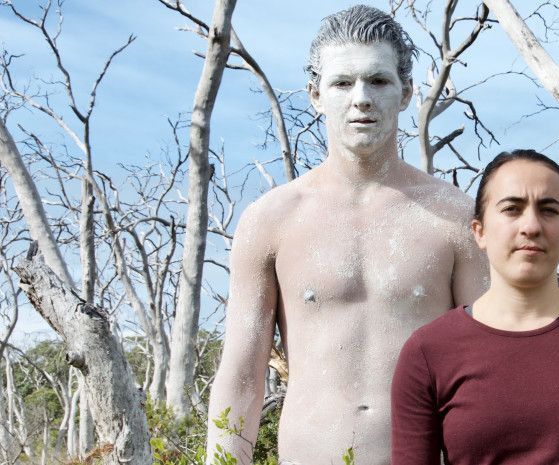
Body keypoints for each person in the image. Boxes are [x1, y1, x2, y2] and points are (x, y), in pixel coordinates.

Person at [205, 6, 487, 464]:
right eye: (342, 83)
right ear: (316, 95)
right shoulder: (270, 221)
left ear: (405, 93)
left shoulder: (455, 217)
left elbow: (489, 369)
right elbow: (241, 377)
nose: (361, 98)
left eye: (378, 81)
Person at [391, 149, 559, 464]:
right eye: (512, 208)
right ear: (479, 232)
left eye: (549, 210)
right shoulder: (428, 352)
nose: (531, 226)